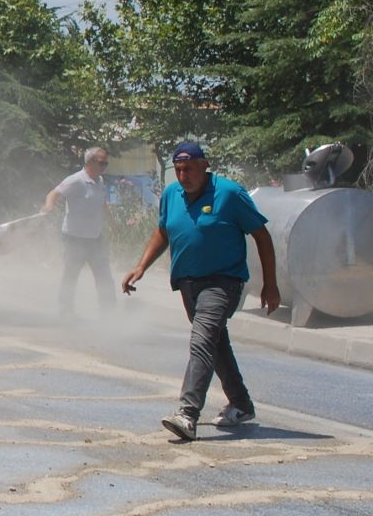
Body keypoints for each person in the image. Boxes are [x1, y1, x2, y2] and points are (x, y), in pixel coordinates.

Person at [120, 141, 280, 441]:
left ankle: (187, 413)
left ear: (204, 165)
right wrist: (141, 266)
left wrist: (270, 285)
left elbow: (262, 236)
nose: (183, 176)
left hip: (223, 282)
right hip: (187, 283)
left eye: (189, 169)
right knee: (214, 343)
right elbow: (163, 231)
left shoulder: (230, 194)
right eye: (178, 170)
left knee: (202, 340)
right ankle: (242, 405)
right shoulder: (172, 194)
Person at [43, 147, 114, 316]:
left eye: (106, 163)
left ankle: (109, 314)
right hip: (74, 238)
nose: (104, 166)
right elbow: (53, 193)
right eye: (101, 163)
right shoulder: (76, 180)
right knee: (71, 276)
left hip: (95, 237)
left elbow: (102, 203)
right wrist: (49, 206)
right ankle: (65, 312)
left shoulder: (100, 181)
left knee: (104, 277)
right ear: (90, 163)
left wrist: (113, 222)